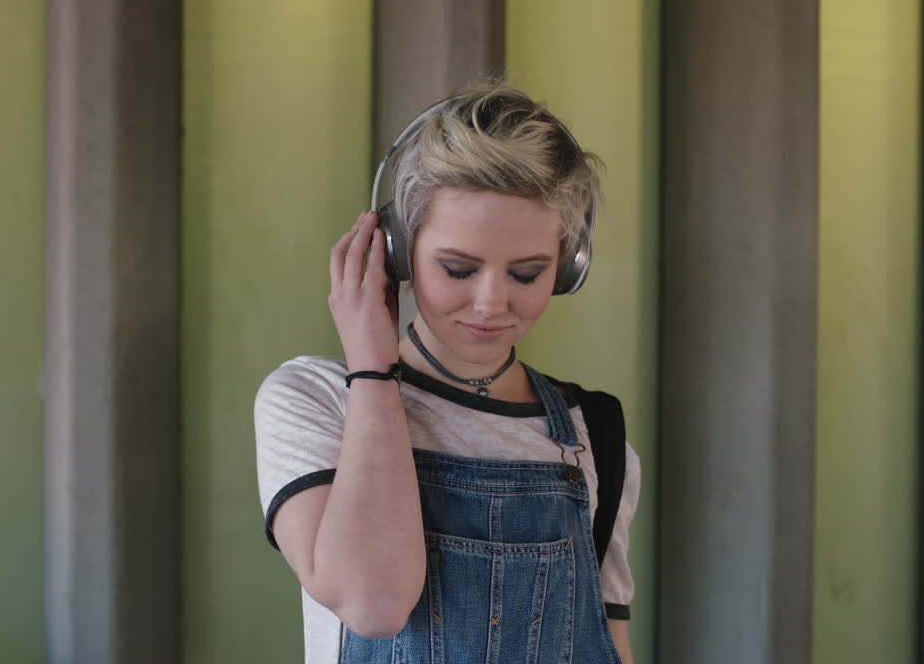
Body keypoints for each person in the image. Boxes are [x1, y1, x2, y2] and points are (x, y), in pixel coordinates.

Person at [254, 80, 641, 663]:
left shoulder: (598, 437)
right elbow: (375, 604)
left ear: (567, 266)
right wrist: (372, 369)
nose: (491, 303)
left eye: (527, 274)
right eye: (459, 268)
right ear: (397, 252)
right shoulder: (315, 401)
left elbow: (610, 646)